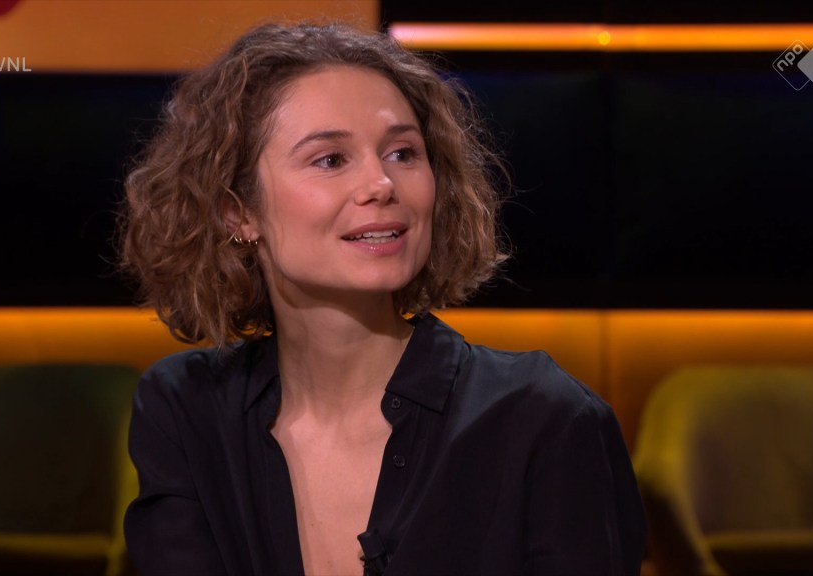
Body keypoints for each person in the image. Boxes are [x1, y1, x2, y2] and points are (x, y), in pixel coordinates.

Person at [119, 21, 645, 576]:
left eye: (402, 153)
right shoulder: (186, 411)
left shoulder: (545, 420)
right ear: (239, 211)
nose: (382, 184)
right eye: (330, 159)